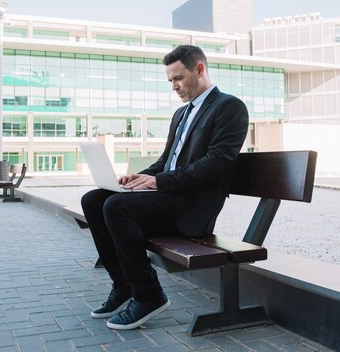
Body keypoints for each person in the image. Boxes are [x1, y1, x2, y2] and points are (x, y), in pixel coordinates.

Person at [80, 45, 249, 330]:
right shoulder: (181, 114)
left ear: (199, 69)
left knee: (116, 207)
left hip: (192, 208)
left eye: (178, 78)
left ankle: (148, 296)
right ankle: (123, 285)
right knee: (94, 199)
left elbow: (217, 164)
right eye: (170, 80)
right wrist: (138, 178)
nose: (174, 86)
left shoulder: (229, 107)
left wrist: (159, 181)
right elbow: (165, 161)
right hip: (169, 197)